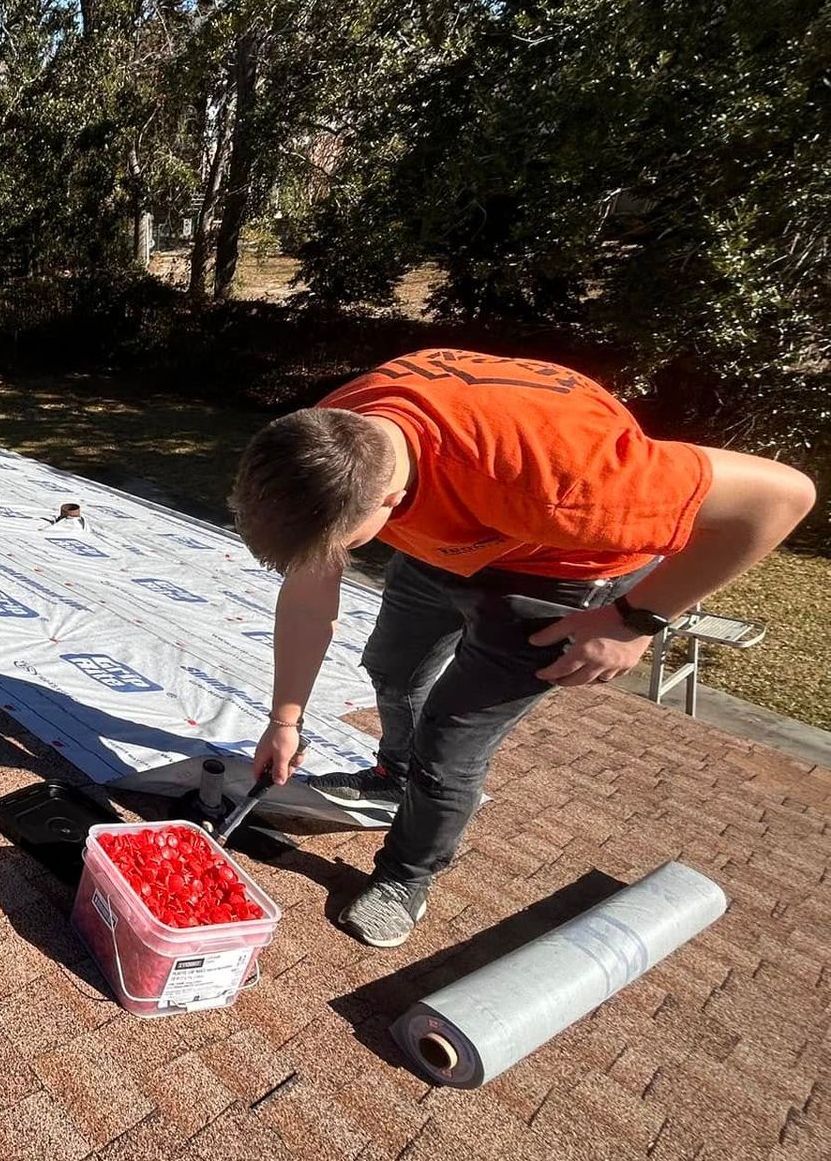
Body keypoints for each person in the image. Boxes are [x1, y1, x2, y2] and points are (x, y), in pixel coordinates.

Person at [228, 348, 815, 948]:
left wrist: (636, 620)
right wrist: (286, 720)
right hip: (449, 536)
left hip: (559, 568)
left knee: (451, 737)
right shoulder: (335, 437)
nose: (335, 559)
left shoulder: (577, 478)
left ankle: (408, 876)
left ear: (384, 502)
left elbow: (783, 497)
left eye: (341, 546)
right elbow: (308, 598)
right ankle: (393, 777)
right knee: (392, 667)